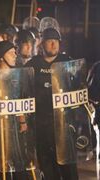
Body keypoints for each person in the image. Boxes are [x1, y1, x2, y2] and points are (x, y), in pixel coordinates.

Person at [25, 28, 79, 180]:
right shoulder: (33, 64)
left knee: (69, 168)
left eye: (56, 41)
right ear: (42, 44)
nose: (54, 44)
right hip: (41, 125)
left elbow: (78, 87)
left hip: (64, 125)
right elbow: (23, 89)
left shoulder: (67, 62)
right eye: (50, 41)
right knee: (48, 169)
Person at [0, 40, 38, 180]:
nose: (15, 55)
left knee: (19, 163)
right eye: (11, 53)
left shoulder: (19, 75)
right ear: (1, 57)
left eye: (15, 52)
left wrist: (22, 122)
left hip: (14, 127)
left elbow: (21, 98)